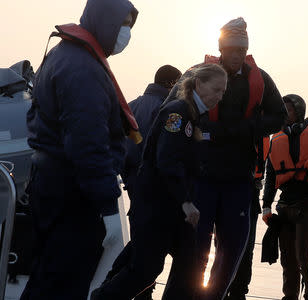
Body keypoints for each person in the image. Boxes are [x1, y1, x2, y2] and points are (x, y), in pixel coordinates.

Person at [21, 0, 139, 299]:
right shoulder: (83, 68)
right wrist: (109, 207)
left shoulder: (64, 54)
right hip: (72, 194)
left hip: (51, 185)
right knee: (65, 284)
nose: (126, 32)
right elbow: (88, 147)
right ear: (105, 21)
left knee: (47, 277)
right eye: (122, 24)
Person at [91, 63, 228, 300]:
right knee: (146, 269)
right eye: (216, 89)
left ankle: (104, 293)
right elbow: (167, 161)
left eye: (223, 92)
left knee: (189, 265)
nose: (219, 96)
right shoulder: (177, 113)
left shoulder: (196, 117)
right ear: (198, 84)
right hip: (157, 204)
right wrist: (186, 201)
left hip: (174, 208)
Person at [191, 17, 285, 300]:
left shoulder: (261, 79)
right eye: (232, 50)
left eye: (242, 51)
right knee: (195, 249)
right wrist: (210, 130)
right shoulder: (198, 73)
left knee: (232, 250)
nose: (237, 55)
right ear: (222, 48)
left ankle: (219, 296)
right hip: (203, 176)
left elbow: (278, 116)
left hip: (239, 178)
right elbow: (175, 111)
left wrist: (243, 129)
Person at [104, 64, 182, 300]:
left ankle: (114, 284)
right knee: (150, 246)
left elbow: (116, 140)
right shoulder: (168, 110)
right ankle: (123, 291)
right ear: (171, 84)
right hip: (154, 184)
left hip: (131, 179)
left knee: (141, 239)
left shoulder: (133, 104)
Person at [262, 94, 308, 300]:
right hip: (284, 207)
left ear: (299, 111)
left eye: (288, 110)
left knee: (305, 257)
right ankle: (289, 297)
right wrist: (266, 206)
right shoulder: (277, 139)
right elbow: (271, 175)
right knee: (288, 259)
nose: (285, 114)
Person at [224, 136, 269, 300]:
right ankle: (223, 287)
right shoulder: (236, 125)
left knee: (246, 247)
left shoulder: (264, 135)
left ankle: (238, 291)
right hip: (229, 194)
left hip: (250, 197)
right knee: (226, 244)